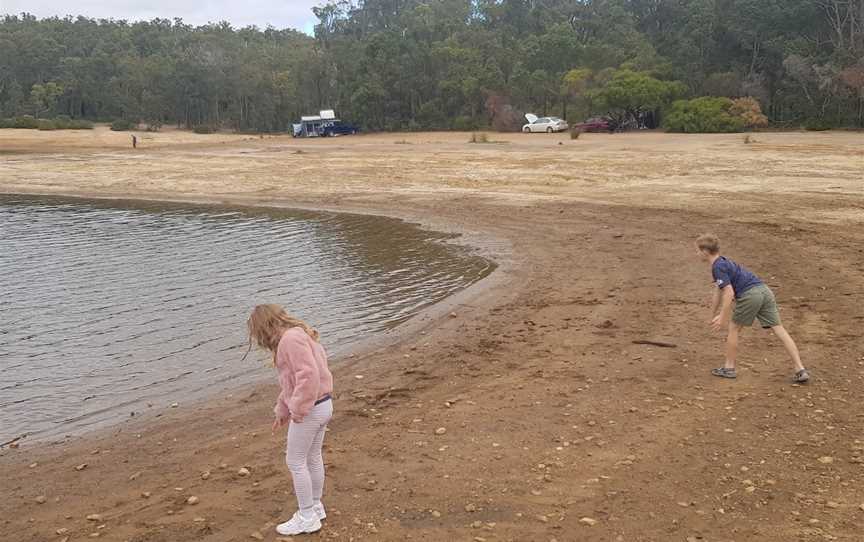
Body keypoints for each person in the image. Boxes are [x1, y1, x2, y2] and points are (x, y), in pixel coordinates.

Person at [244, 304, 334, 536]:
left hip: (311, 408)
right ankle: (315, 506)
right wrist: (282, 411)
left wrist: (297, 410)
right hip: (323, 405)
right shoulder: (299, 335)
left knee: (295, 461)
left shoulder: (290, 340)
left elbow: (308, 376)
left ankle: (306, 516)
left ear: (264, 327)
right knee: (312, 457)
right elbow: (291, 382)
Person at [695, 234, 810, 383]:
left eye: (697, 250)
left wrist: (723, 317)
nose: (696, 254)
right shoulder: (724, 262)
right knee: (779, 329)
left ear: (705, 252)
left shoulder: (717, 267)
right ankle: (800, 369)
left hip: (750, 295)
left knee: (734, 328)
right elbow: (718, 290)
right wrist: (712, 313)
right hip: (764, 291)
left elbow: (729, 292)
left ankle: (729, 368)